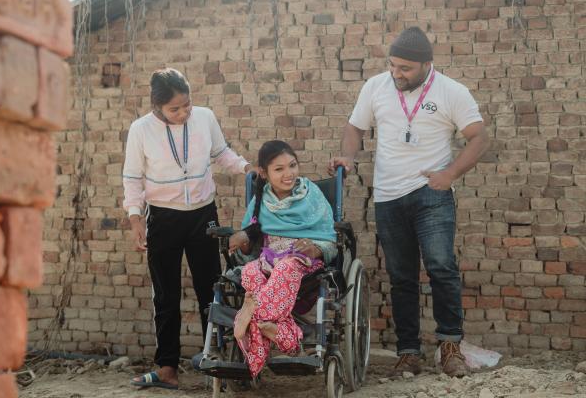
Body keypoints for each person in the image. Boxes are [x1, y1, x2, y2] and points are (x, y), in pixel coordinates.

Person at [329, 27, 490, 378]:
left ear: (426, 64)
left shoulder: (451, 91)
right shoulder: (375, 87)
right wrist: (347, 156)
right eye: (393, 66)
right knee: (401, 277)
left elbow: (478, 137)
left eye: (405, 68)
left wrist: (449, 174)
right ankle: (408, 354)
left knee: (441, 267)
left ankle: (450, 348)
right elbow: (355, 128)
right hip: (388, 197)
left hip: (431, 195)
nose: (396, 74)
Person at [123, 68, 252, 389]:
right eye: (175, 109)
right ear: (157, 107)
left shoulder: (205, 118)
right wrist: (135, 218)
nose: (183, 113)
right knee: (165, 295)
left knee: (211, 289)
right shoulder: (140, 130)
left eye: (187, 105)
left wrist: (247, 167)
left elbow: (221, 153)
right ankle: (167, 367)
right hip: (163, 220)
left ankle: (218, 360)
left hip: (202, 217)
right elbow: (132, 178)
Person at [228, 140, 337, 378]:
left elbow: (330, 237)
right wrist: (241, 241)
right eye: (279, 169)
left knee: (286, 267)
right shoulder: (261, 200)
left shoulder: (311, 194)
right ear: (264, 173)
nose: (288, 174)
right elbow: (250, 242)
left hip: (303, 261)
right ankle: (281, 335)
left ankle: (250, 316)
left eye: (292, 166)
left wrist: (316, 248)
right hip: (268, 259)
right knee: (249, 271)